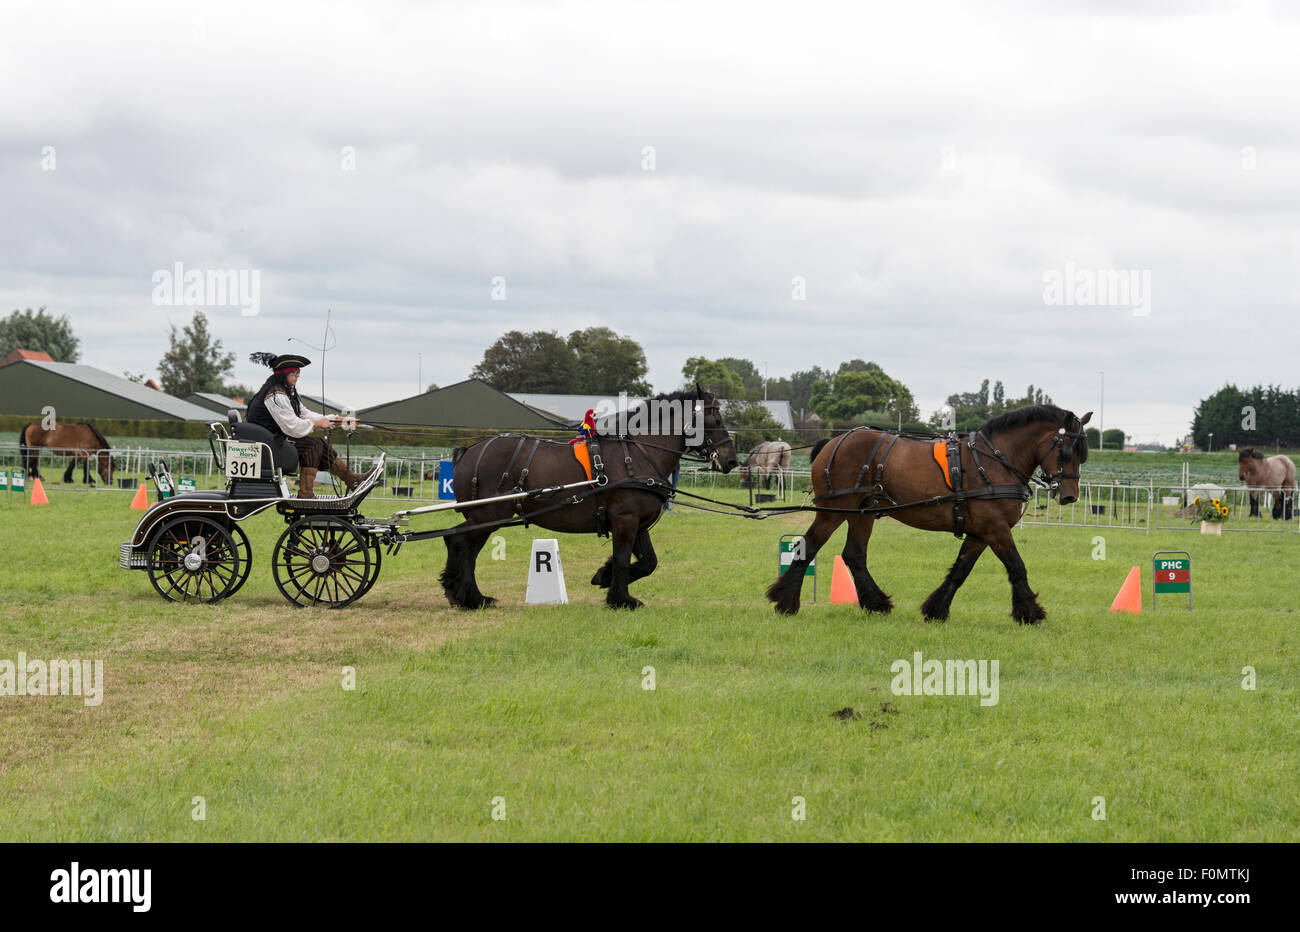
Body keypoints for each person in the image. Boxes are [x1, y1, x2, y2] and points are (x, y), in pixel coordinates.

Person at [245, 352, 363, 498]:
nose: (297, 375)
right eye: (293, 372)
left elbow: (305, 414)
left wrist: (337, 420)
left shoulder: (287, 392)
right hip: (268, 444)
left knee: (319, 443)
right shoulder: (275, 395)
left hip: (275, 439)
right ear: (283, 374)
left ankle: (354, 480)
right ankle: (306, 493)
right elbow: (292, 426)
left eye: (298, 372)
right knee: (312, 446)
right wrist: (317, 424)